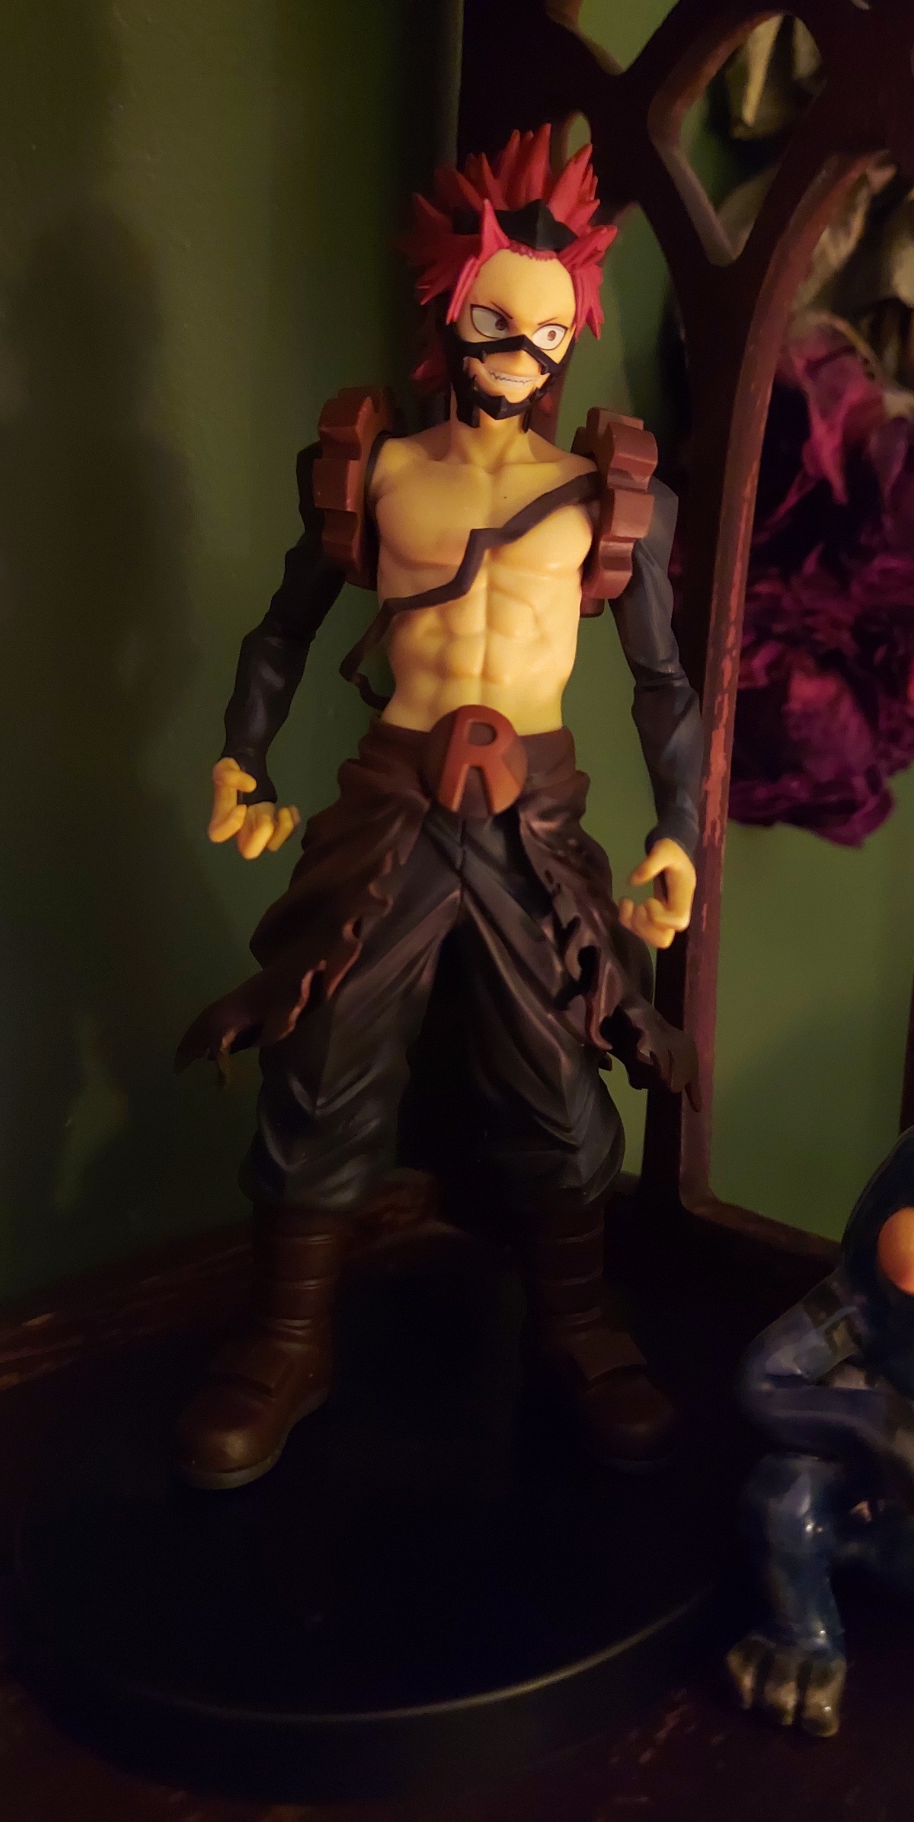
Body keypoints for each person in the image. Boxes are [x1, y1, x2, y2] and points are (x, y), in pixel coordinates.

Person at [175, 126, 703, 1490]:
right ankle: (288, 1337)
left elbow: (662, 679)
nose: (517, 354)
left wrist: (677, 827)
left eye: (546, 331)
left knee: (558, 1062)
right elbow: (285, 628)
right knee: (321, 1046)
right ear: (447, 309)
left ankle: (576, 1321)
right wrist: (245, 756)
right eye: (492, 322)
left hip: (536, 813)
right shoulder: (384, 471)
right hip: (393, 798)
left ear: (572, 335)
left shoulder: (604, 497)